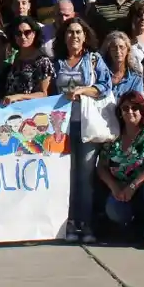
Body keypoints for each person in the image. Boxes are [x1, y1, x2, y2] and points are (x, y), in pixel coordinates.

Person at [51, 18, 104, 242]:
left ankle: (86, 223)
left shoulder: (93, 60)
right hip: (60, 127)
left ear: (85, 36)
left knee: (85, 176)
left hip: (86, 124)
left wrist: (83, 90)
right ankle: (69, 222)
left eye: (78, 32)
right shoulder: (56, 62)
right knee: (67, 175)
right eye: (70, 32)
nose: (74, 36)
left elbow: (104, 85)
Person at [98, 90, 144, 248]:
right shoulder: (113, 137)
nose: (130, 111)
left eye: (134, 108)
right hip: (124, 193)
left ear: (142, 110)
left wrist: (133, 185)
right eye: (125, 108)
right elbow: (101, 167)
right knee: (113, 208)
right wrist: (114, 187)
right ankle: (132, 228)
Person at [1, 18, 54, 104]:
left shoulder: (43, 61)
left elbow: (44, 94)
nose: (23, 37)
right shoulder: (15, 58)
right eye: (18, 33)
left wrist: (19, 97)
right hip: (11, 110)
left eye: (27, 32)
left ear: (34, 33)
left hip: (31, 111)